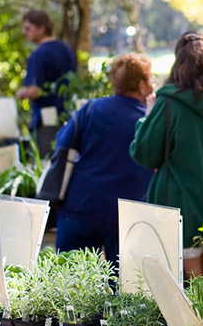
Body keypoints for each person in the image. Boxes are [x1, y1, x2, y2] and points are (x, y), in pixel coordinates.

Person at [130, 32, 203, 249]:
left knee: (182, 280)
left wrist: (147, 116)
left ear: (178, 63)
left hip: (178, 207)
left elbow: (144, 153)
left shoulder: (170, 102)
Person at [55, 54, 154, 267]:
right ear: (141, 84)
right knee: (125, 292)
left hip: (81, 206)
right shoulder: (148, 122)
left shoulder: (90, 109)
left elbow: (62, 144)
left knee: (70, 285)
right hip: (128, 216)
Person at [15, 10, 78, 155]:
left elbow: (35, 91)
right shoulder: (67, 50)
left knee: (46, 166)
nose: (24, 32)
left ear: (41, 28)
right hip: (68, 117)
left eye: (28, 28)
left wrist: (21, 92)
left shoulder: (39, 55)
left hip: (46, 122)